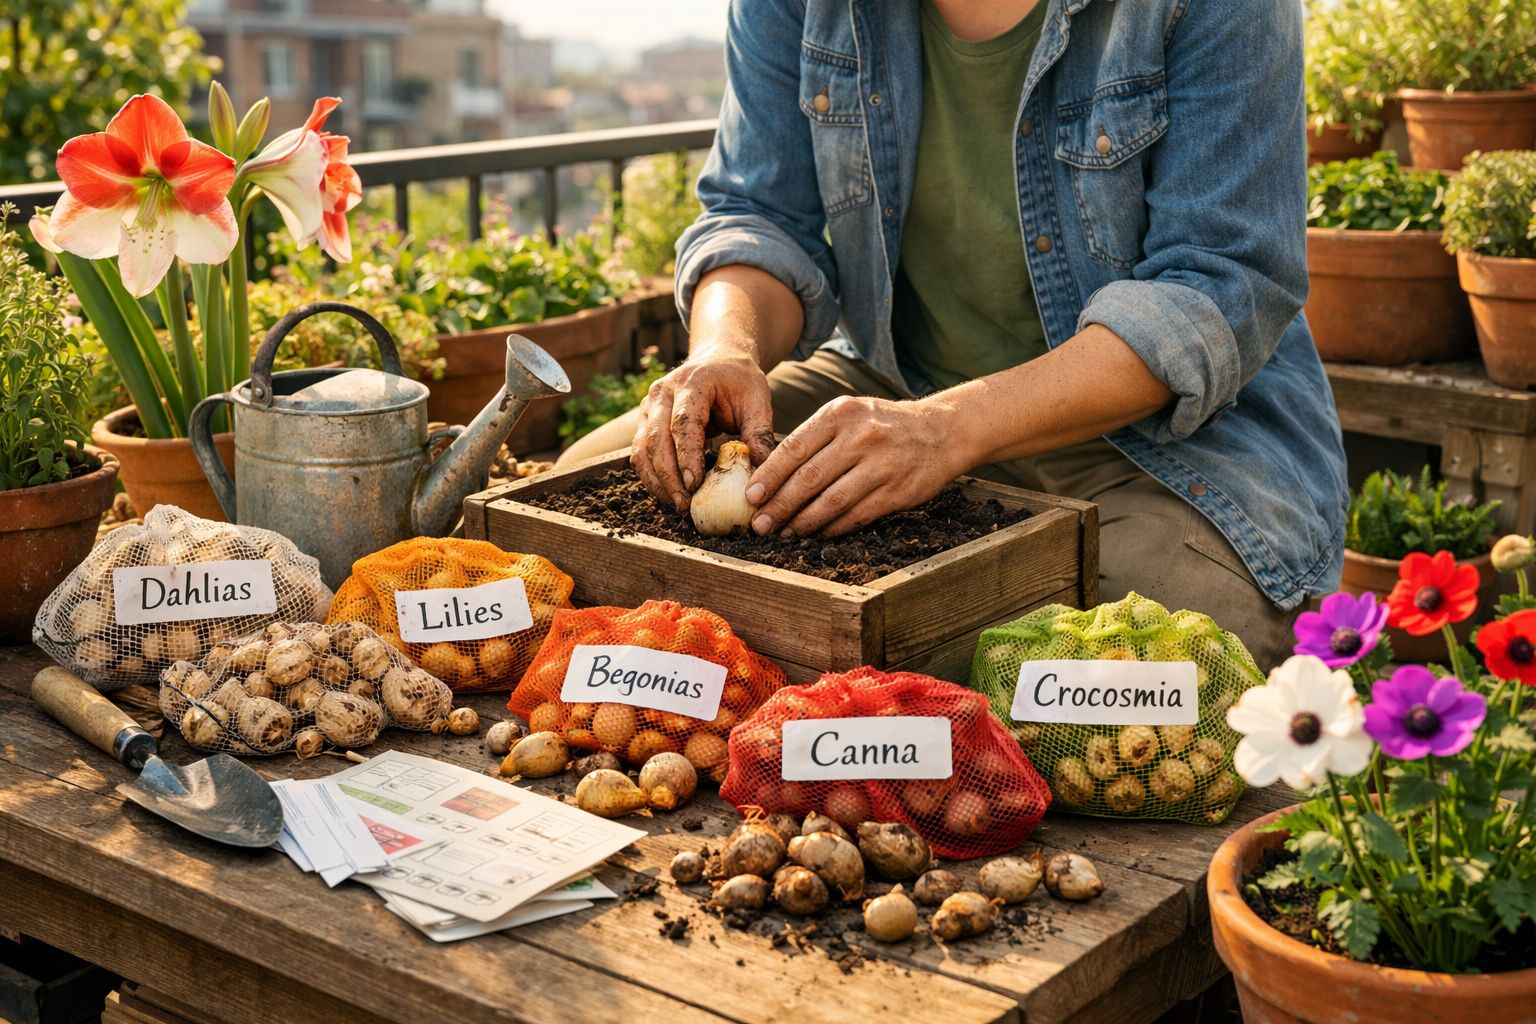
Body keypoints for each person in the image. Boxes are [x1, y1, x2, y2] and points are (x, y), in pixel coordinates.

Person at [564, 0, 1348, 667]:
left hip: (1160, 442)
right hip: (895, 384)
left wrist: (943, 432)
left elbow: (1217, 283)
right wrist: (725, 348)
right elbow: (758, 214)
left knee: (1144, 665)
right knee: (580, 510)